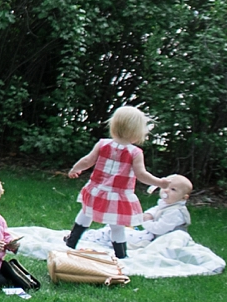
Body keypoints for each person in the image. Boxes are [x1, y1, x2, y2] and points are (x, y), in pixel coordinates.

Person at [64, 105, 164, 263]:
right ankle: (121, 254)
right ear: (136, 133)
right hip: (118, 195)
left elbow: (88, 160)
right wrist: (159, 182)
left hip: (97, 190)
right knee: (117, 226)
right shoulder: (135, 152)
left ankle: (71, 241)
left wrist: (75, 169)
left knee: (86, 213)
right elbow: (141, 175)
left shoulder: (103, 144)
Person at [133, 173, 195, 246]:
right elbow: (157, 209)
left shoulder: (175, 212)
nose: (166, 190)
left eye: (173, 189)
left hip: (170, 242)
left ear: (184, 197)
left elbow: (159, 229)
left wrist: (146, 221)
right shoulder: (167, 204)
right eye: (165, 186)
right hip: (161, 238)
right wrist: (149, 214)